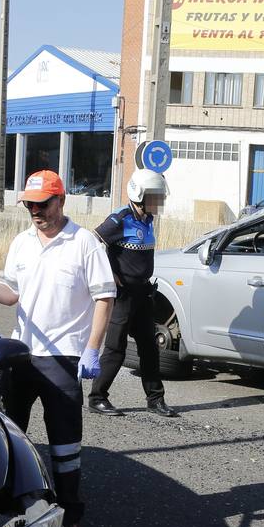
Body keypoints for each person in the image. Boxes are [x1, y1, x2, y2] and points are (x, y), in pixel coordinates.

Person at [0, 170, 115, 527]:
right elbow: (13, 293)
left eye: (42, 204)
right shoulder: (22, 243)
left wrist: (92, 349)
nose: (35, 212)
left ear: (61, 201)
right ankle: (15, 503)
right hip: (23, 354)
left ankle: (70, 513)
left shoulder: (84, 243)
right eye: (29, 205)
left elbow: (105, 297)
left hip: (64, 358)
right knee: (13, 435)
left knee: (65, 444)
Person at [86, 169, 176, 417]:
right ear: (139, 195)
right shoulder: (121, 219)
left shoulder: (148, 219)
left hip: (144, 294)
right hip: (123, 295)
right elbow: (92, 243)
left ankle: (155, 399)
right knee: (115, 348)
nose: (159, 202)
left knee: (149, 348)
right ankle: (97, 398)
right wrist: (108, 272)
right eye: (155, 197)